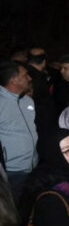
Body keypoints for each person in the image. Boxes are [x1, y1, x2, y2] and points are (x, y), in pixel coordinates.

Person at [0, 60, 38, 198]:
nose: (30, 78)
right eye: (26, 74)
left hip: (32, 167)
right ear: (14, 80)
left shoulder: (27, 101)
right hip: (11, 172)